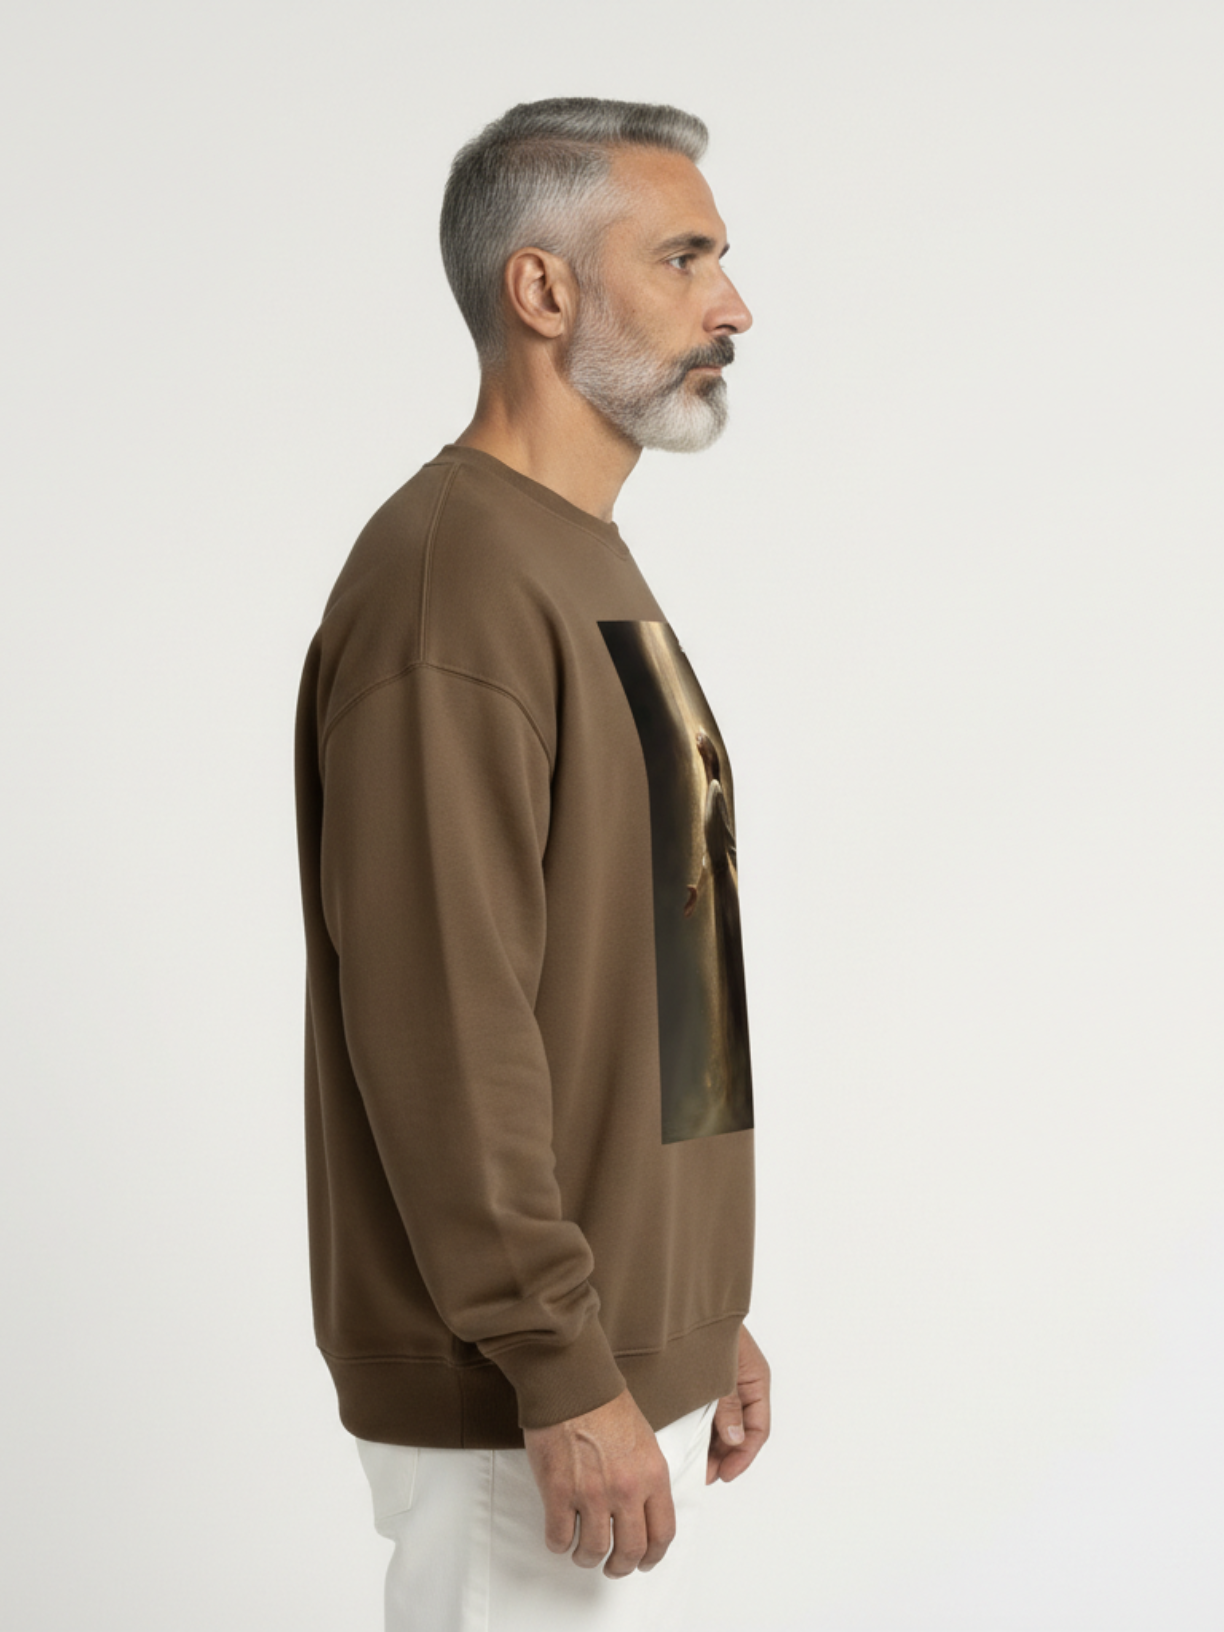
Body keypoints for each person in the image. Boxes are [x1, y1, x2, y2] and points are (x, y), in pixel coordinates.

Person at [294, 96, 770, 1631]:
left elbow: (646, 964)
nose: (733, 306)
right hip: (516, 1392)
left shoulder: (576, 558)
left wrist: (693, 1310)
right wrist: (561, 1357)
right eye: (683, 257)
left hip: (606, 1358)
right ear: (544, 290)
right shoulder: (455, 581)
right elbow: (445, 1015)